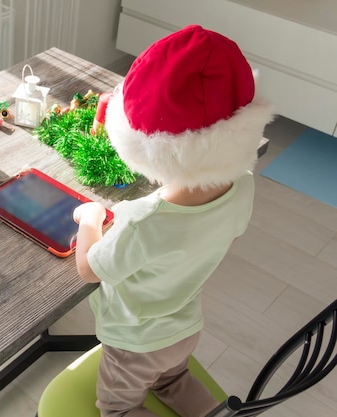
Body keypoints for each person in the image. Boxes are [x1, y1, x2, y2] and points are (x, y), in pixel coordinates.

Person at [72, 25, 274, 417]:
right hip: (184, 329)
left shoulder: (142, 221)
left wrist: (90, 218)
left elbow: (89, 269)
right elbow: (222, 240)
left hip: (134, 343)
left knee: (117, 409)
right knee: (172, 379)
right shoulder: (243, 188)